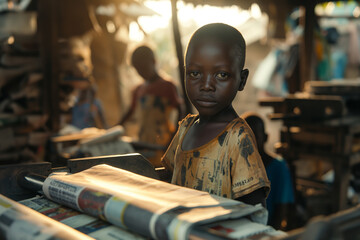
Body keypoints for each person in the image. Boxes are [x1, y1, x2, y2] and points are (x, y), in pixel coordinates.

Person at [161, 23, 270, 207]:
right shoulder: (186, 128)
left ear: (241, 80)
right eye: (195, 73)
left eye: (221, 75)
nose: (206, 85)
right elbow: (168, 176)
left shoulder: (237, 138)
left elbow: (255, 207)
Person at [119, 45, 183, 167]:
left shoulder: (168, 86)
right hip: (143, 141)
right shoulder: (138, 90)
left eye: (143, 68)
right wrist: (115, 129)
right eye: (138, 70)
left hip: (163, 141)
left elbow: (181, 111)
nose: (141, 72)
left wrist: (173, 139)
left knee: (163, 170)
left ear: (153, 62)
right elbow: (130, 112)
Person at [241, 111, 295, 230]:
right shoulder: (237, 166)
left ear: (265, 138)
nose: (249, 141)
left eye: (254, 135)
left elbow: (281, 212)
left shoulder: (279, 167)